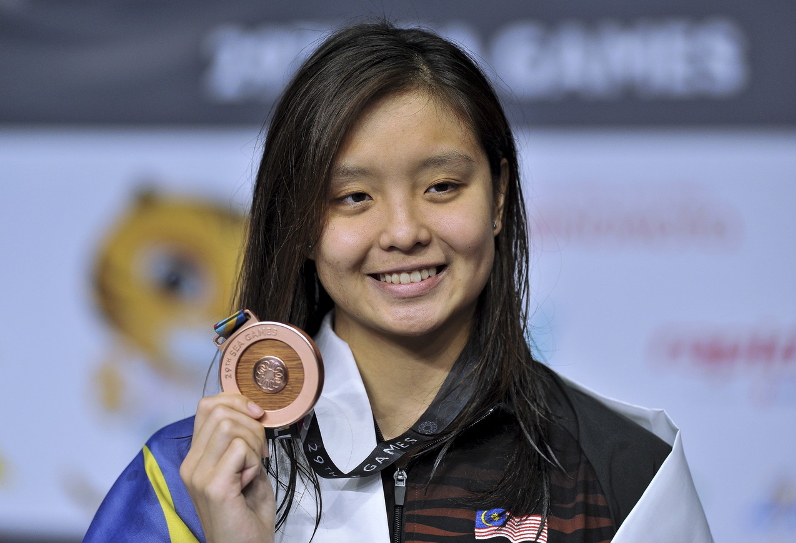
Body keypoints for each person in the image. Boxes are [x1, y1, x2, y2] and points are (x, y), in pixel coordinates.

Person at [85, 21, 713, 543]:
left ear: (497, 198)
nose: (404, 231)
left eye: (442, 186)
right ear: (300, 222)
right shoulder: (188, 477)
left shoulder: (621, 470)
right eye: (353, 196)